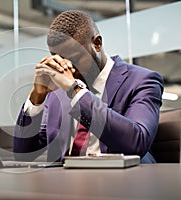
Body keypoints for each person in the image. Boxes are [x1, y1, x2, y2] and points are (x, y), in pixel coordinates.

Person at [13, 10, 163, 163]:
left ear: (97, 44)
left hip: (122, 181)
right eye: (59, 59)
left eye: (75, 58)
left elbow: (137, 142)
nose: (67, 68)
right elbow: (24, 153)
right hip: (64, 182)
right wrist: (37, 97)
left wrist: (75, 91)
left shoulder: (142, 80)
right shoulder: (57, 90)